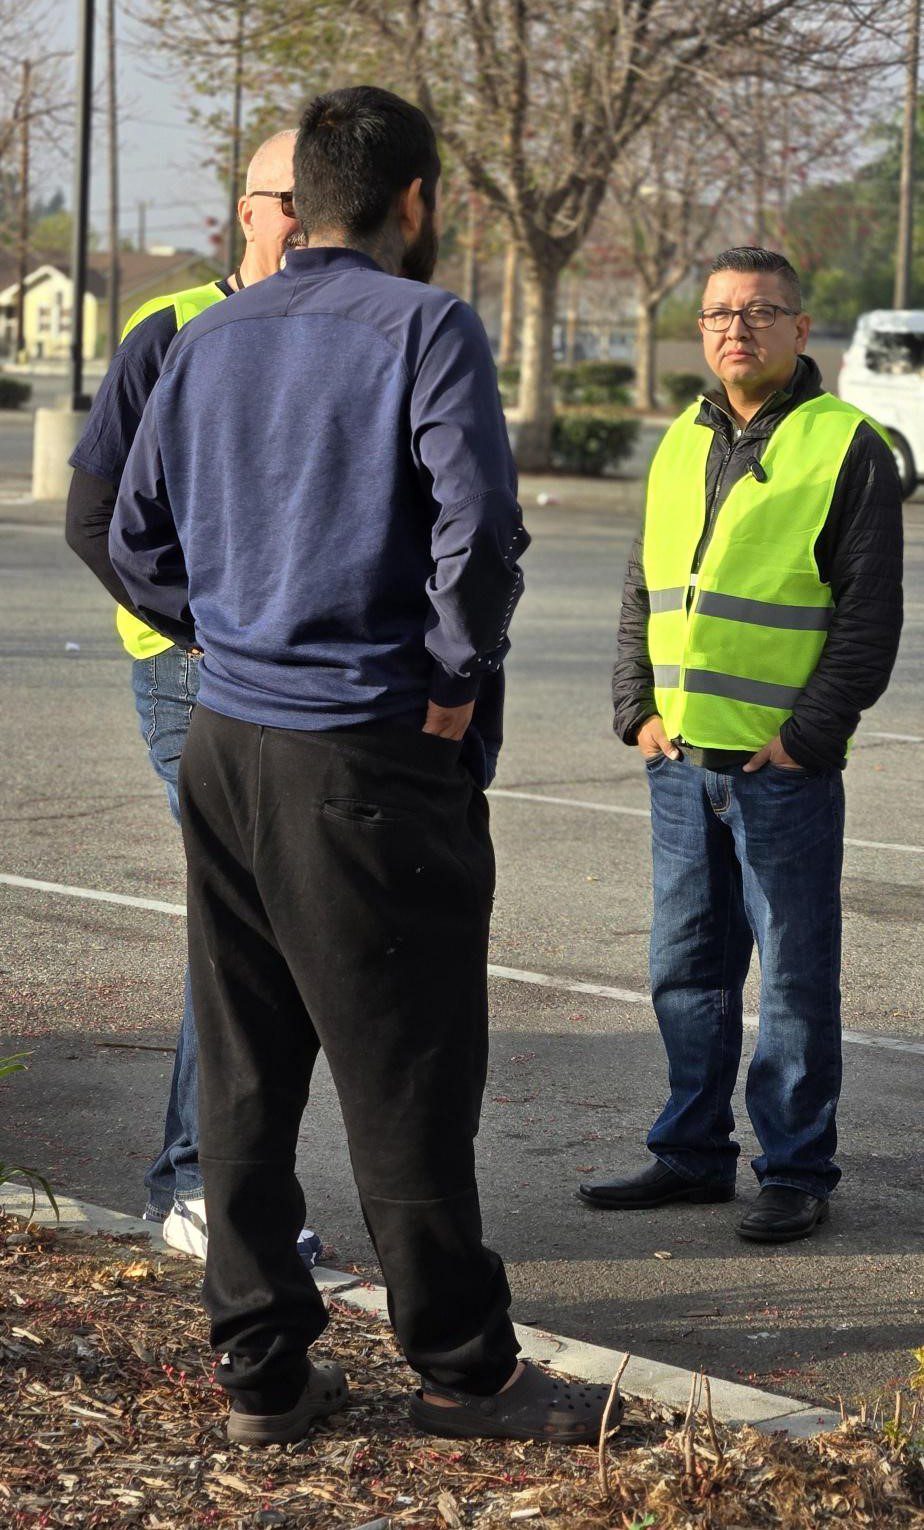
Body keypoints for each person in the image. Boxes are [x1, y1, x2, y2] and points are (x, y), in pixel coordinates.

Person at [109, 85, 614, 1448]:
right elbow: (482, 531)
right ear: (417, 204)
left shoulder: (209, 339)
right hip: (369, 752)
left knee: (245, 1064)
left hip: (228, 739)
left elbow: (132, 531)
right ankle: (466, 1368)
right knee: (408, 1076)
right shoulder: (426, 326)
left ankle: (264, 1370)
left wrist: (226, 631)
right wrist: (450, 678)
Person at [580, 246, 903, 1244]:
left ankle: (796, 1169)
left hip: (780, 773)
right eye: (718, 314)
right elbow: (645, 586)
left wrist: (808, 738)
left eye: (759, 312)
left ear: (803, 331)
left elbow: (868, 614)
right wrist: (635, 706)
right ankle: (690, 1156)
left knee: (797, 978)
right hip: (680, 764)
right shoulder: (680, 436)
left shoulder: (843, 444)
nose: (734, 329)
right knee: (687, 966)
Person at [65, 131, 321, 1267]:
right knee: (249, 915)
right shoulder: (169, 328)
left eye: (325, 203)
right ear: (244, 213)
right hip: (192, 672)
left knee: (271, 921)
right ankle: (196, 1183)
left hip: (300, 677)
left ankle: (225, 1182)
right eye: (287, 203)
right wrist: (199, 631)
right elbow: (94, 518)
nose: (306, 222)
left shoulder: (343, 330)